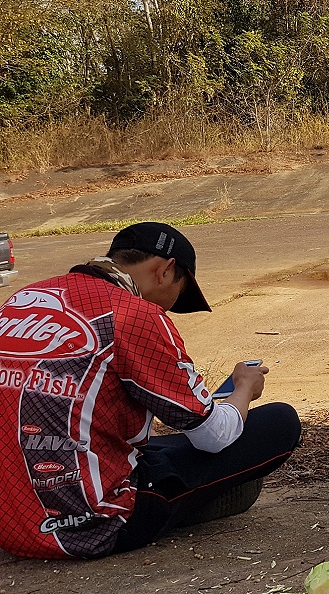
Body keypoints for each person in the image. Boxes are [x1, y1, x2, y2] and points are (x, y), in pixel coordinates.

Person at [0, 222, 301, 559]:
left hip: (10, 521)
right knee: (279, 422)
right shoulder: (134, 315)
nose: (171, 307)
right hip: (94, 524)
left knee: (159, 442)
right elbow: (214, 436)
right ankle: (191, 504)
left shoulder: (23, 298)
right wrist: (244, 388)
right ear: (165, 270)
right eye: (180, 293)